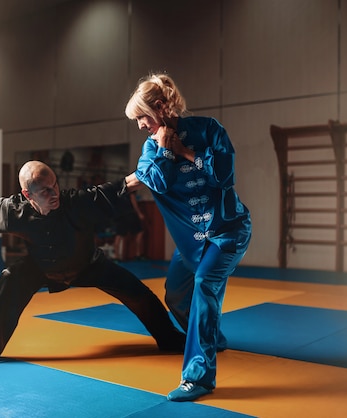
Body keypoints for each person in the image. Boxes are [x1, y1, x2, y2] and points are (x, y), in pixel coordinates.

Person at [0, 160, 185, 367]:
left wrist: (161, 159)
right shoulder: (14, 211)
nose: (54, 193)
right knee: (10, 276)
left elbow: (125, 185)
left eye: (55, 185)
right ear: (28, 195)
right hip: (42, 268)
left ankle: (171, 339)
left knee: (137, 292)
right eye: (45, 191)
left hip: (87, 264)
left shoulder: (77, 202)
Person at [123, 73, 252, 402]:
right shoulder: (151, 147)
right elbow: (156, 182)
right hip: (190, 242)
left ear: (161, 107)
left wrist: (183, 150)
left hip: (227, 231)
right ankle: (211, 337)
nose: (139, 125)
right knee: (176, 296)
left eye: (142, 116)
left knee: (204, 285)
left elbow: (224, 176)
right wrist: (166, 151)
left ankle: (198, 378)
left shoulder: (209, 130)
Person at [113, 191, 145, 261]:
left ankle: (116, 256)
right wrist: (139, 213)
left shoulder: (117, 193)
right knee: (139, 232)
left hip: (120, 216)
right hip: (130, 215)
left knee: (119, 235)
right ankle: (138, 254)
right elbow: (134, 204)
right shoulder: (130, 193)